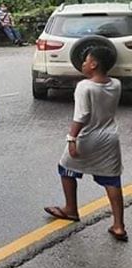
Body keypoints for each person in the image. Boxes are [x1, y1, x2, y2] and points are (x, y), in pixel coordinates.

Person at [44, 47, 125, 240]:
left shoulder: (84, 87)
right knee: (112, 180)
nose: (83, 64)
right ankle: (119, 225)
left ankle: (71, 208)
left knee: (65, 168)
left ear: (94, 64)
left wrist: (71, 138)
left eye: (86, 61)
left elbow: (82, 116)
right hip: (110, 138)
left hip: (87, 137)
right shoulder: (116, 84)